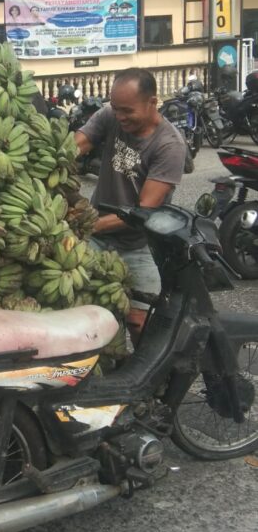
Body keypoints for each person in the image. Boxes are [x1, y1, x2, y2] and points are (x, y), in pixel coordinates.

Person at [75, 67, 186, 344]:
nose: (120, 117)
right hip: (97, 238)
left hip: (141, 243)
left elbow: (142, 211)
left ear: (152, 102)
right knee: (91, 314)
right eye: (116, 109)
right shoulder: (110, 116)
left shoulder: (168, 145)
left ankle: (154, 384)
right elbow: (74, 146)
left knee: (140, 320)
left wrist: (84, 224)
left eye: (127, 110)